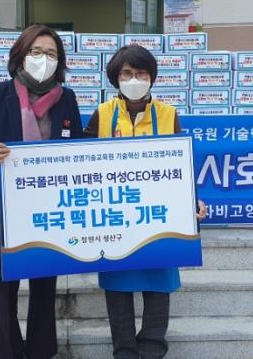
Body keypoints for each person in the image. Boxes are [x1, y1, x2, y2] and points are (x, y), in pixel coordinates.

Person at [0, 24, 84, 359]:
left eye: (51, 54)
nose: (43, 59)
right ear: (21, 55)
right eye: (36, 51)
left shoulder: (67, 99)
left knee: (45, 286)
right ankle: (8, 352)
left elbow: (79, 147)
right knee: (4, 288)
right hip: (4, 209)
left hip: (49, 209)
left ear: (60, 62)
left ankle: (42, 351)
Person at [83, 44, 207, 359]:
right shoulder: (102, 114)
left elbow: (180, 165)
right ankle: (124, 350)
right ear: (116, 77)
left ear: (152, 77)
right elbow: (81, 163)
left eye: (141, 73)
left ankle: (152, 347)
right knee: (117, 283)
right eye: (127, 73)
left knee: (159, 279)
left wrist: (193, 200)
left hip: (157, 215)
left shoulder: (168, 114)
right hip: (115, 213)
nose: (134, 79)